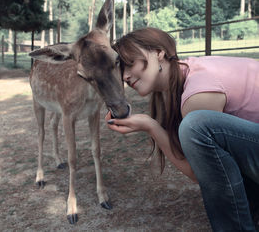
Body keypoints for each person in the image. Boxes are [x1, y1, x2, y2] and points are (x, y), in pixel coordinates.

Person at [105, 27, 259, 231]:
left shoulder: (197, 94)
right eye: (120, 70)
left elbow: (200, 174)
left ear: (159, 53)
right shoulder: (189, 70)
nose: (124, 76)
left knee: (196, 126)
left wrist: (151, 126)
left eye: (130, 63)